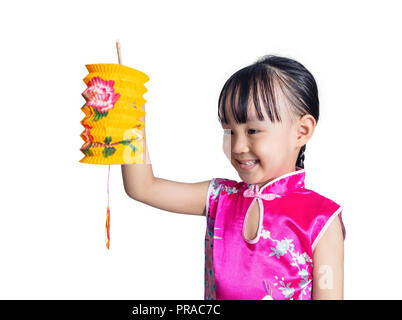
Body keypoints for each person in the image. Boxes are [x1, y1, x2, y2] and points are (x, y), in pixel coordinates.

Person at [121, 55, 346, 300]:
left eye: (252, 130)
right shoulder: (219, 197)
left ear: (301, 132)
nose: (238, 146)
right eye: (229, 131)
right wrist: (128, 118)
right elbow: (143, 187)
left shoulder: (321, 219)